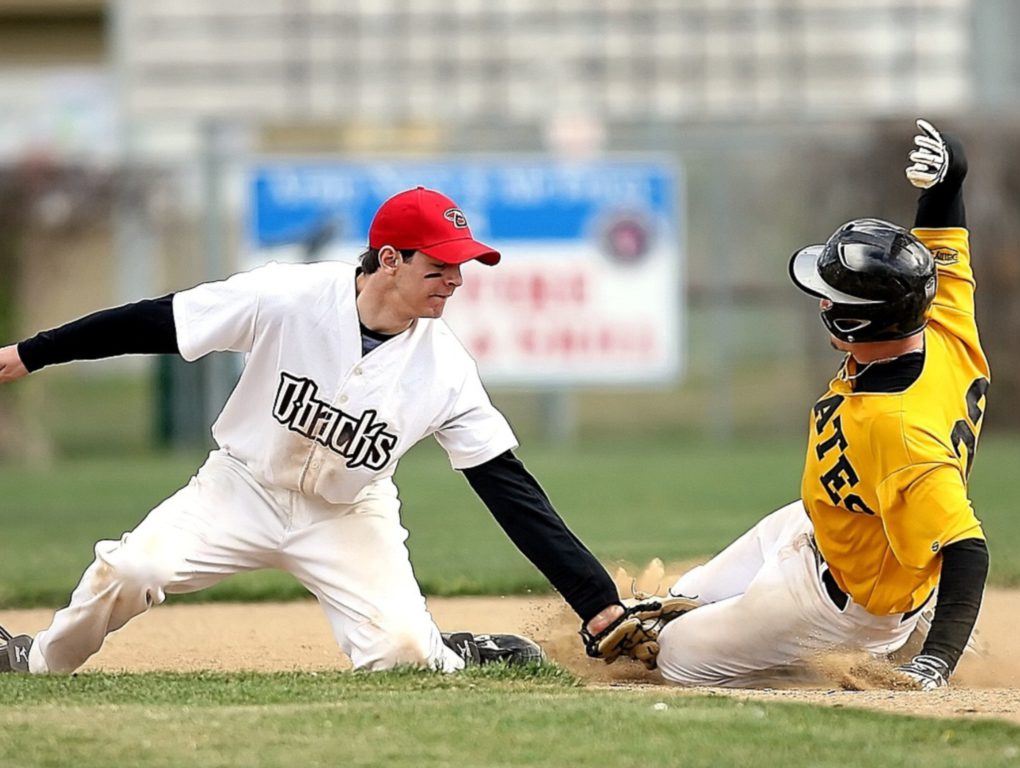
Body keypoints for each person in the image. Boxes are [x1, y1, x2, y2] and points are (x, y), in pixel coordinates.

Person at [0, 185, 627, 674]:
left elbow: (510, 492)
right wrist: (34, 352)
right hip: (240, 488)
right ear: (389, 260)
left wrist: (594, 600)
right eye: (441, 267)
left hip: (347, 514)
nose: (457, 281)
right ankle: (35, 659)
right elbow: (158, 321)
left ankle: (455, 651)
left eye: (462, 267)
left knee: (403, 656)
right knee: (135, 570)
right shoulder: (287, 296)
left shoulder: (446, 370)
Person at [634, 120, 988, 689]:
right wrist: (948, 180)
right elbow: (944, 235)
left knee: (670, 657)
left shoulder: (899, 428)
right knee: (670, 606)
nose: (822, 300)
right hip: (824, 523)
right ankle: (765, 626)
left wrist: (936, 664)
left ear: (854, 321)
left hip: (843, 607)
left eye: (831, 296)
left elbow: (967, 549)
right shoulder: (941, 320)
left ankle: (860, 653)